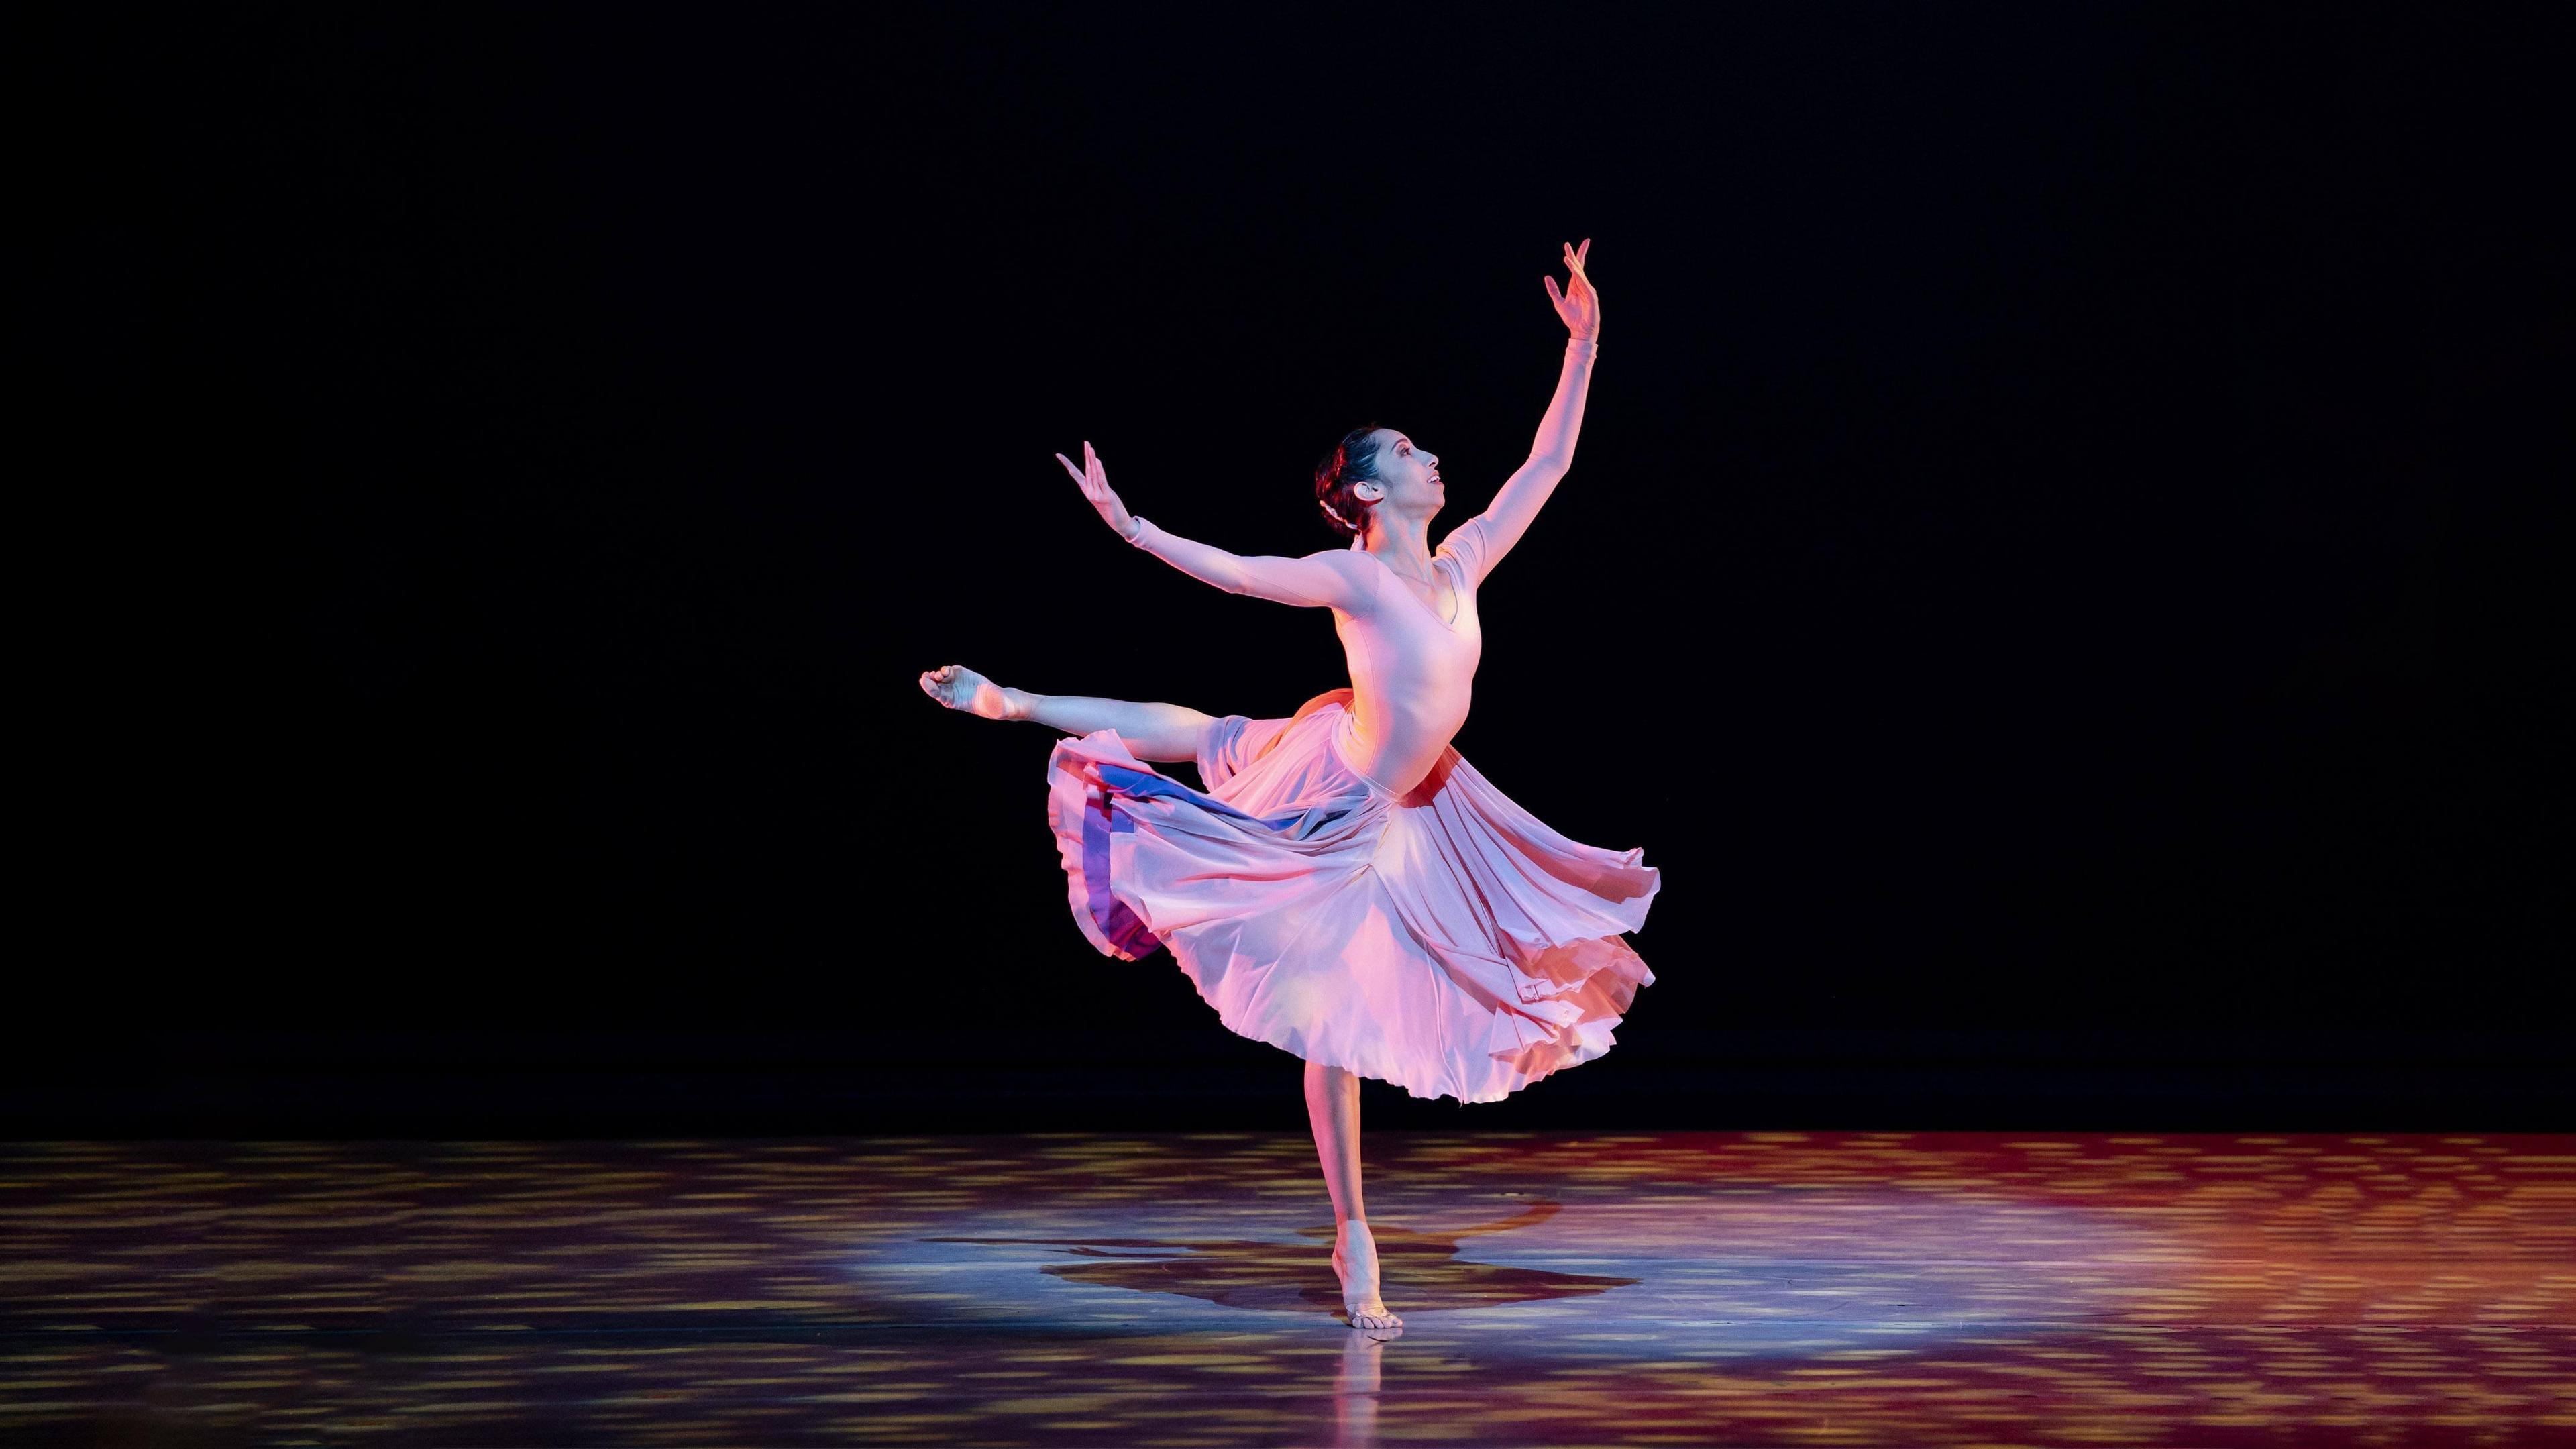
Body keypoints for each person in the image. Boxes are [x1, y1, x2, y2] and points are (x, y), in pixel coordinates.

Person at [918, 240, 1658, 1332]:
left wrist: (1585, 344)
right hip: (1342, 805)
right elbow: (1237, 572)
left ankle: (1018, 701)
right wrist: (1132, 529)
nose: (1431, 457)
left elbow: (1544, 468)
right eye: (1408, 451)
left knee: (1228, 748)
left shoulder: (1460, 564)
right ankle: (1353, 1234)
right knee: (1320, 1002)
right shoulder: (1352, 576)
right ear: (1368, 488)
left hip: (1428, 805)